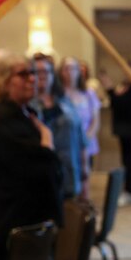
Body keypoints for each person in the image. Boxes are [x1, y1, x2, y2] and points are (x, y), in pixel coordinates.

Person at [0, 50, 63, 243]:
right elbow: (40, 167)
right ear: (4, 81)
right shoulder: (4, 118)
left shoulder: (24, 113)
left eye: (32, 73)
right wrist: (47, 140)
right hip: (17, 221)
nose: (32, 79)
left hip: (32, 216)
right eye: (23, 74)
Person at [32, 54, 87, 200]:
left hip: (71, 171)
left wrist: (84, 168)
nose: (43, 76)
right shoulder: (27, 105)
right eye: (38, 72)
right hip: (43, 178)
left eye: (47, 71)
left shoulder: (64, 101)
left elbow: (79, 135)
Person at [103, 59, 131, 205]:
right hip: (123, 127)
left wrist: (109, 89)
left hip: (129, 127)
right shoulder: (125, 85)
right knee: (129, 158)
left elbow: (122, 104)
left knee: (129, 159)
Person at [60, 56, 101, 180]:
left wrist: (85, 139)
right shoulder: (58, 94)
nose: (70, 72)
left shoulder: (88, 94)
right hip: (65, 144)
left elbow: (95, 120)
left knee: (85, 176)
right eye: (66, 68)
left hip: (85, 141)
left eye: (73, 68)